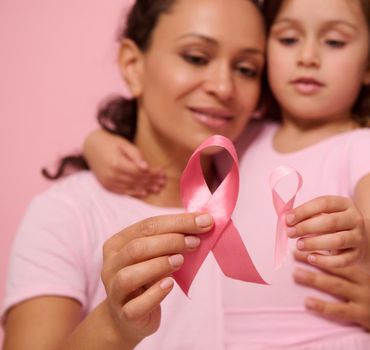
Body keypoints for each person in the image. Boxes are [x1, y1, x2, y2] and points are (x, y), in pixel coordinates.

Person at [82, 0, 370, 348]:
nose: (308, 56)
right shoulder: (242, 137)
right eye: (288, 39)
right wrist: (98, 143)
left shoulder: (365, 144)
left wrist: (366, 241)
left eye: (333, 42)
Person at [1, 0, 266, 348]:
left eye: (246, 69)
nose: (224, 87)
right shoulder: (68, 213)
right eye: (196, 58)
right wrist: (114, 325)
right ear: (132, 65)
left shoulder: (269, 181)